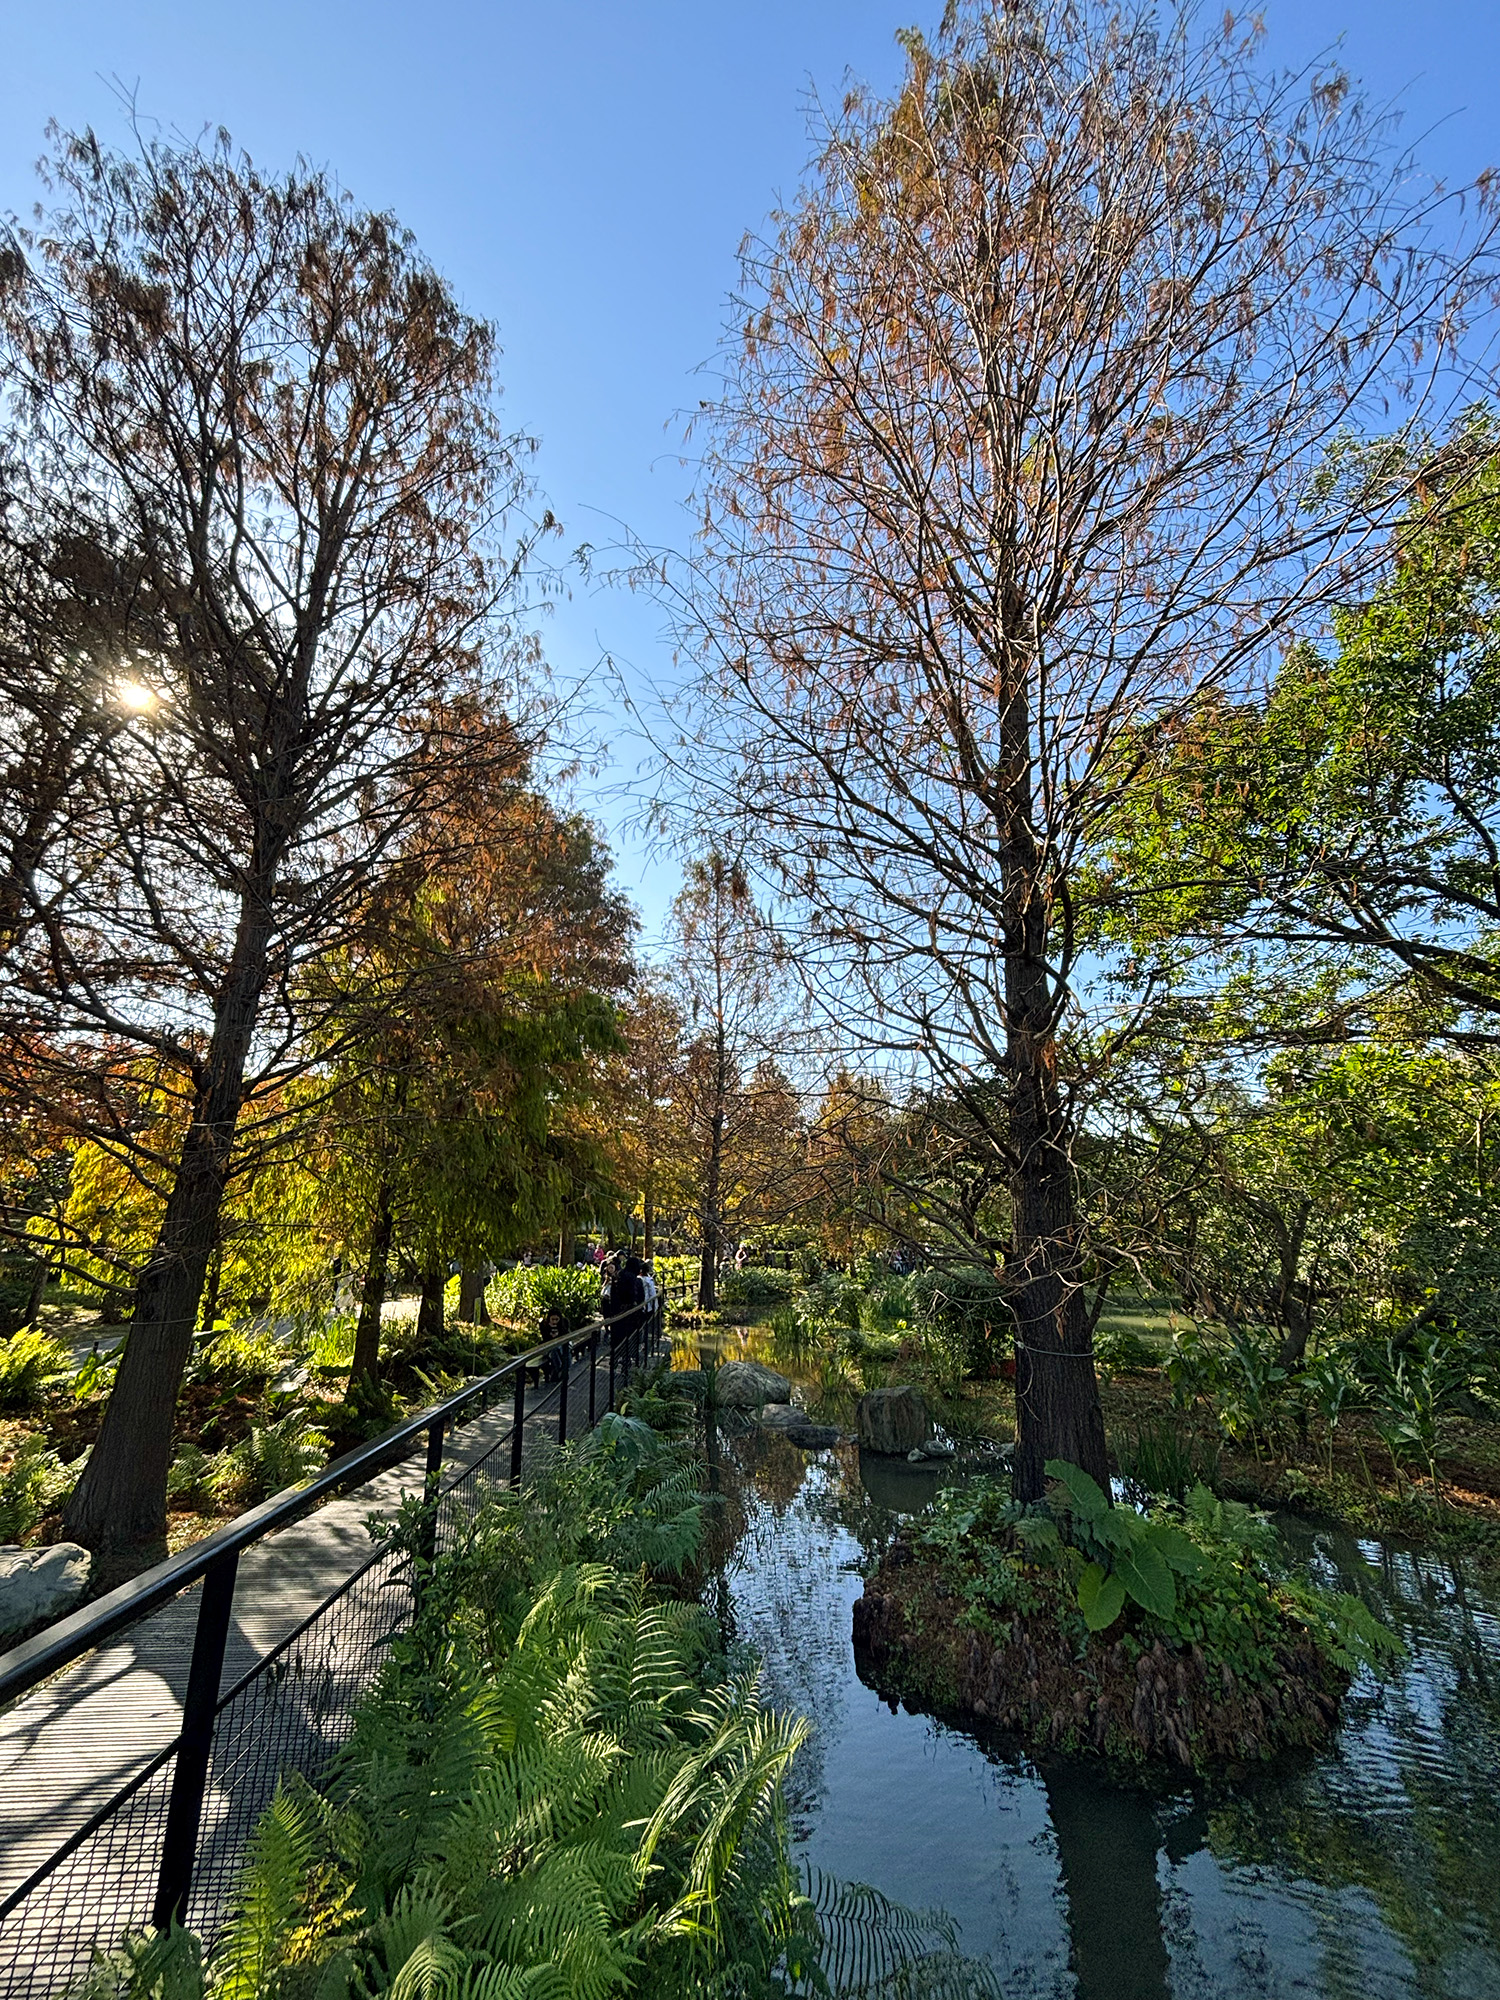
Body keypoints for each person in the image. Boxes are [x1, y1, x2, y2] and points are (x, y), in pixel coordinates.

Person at [538, 1304, 570, 1385]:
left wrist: (559, 1331)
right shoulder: (543, 1324)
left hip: (562, 1345)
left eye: (556, 1319)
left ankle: (560, 1371)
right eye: (552, 1319)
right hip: (549, 1346)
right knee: (554, 1350)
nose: (555, 1321)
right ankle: (561, 1370)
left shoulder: (564, 1322)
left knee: (565, 1350)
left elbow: (566, 1335)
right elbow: (545, 1338)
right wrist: (549, 1329)